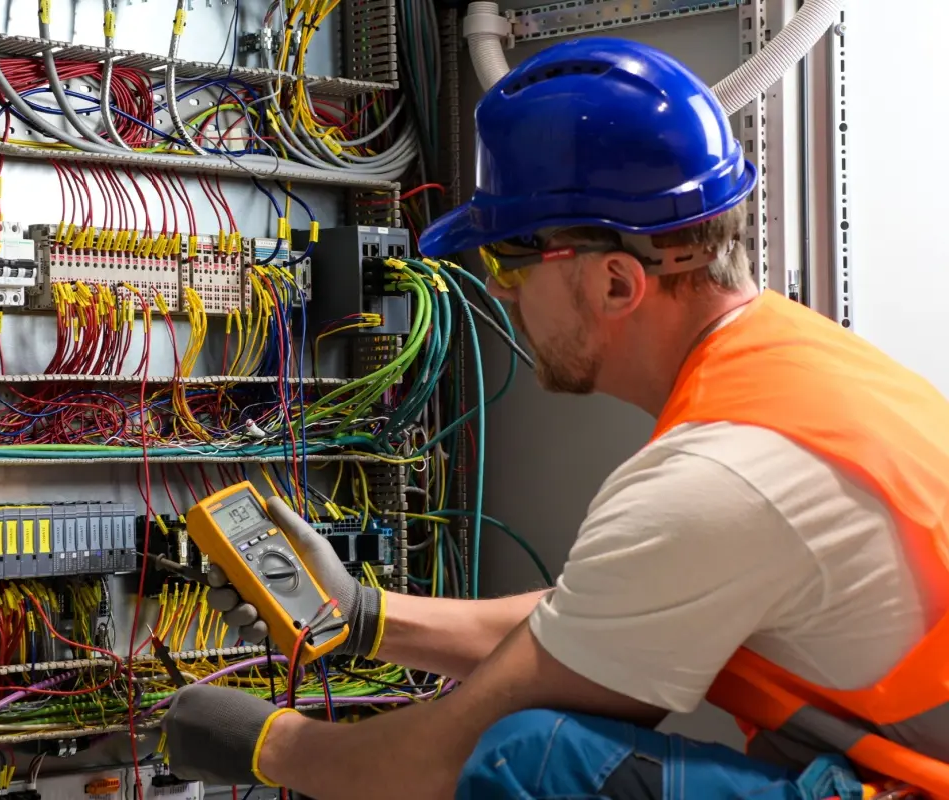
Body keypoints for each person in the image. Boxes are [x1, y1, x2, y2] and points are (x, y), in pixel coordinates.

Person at [162, 38, 949, 799]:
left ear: (616, 283)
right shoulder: (796, 367)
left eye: (508, 261)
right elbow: (599, 623)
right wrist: (364, 618)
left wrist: (275, 746)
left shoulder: (721, 478)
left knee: (526, 762)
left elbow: (444, 766)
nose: (498, 293)